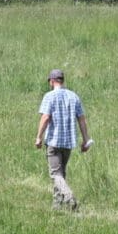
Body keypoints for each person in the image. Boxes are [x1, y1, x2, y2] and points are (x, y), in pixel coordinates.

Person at [35, 68, 91, 211]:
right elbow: (82, 120)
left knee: (56, 174)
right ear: (62, 81)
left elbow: (45, 117)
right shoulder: (74, 96)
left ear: (52, 81)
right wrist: (86, 140)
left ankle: (69, 196)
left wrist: (38, 137)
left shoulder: (49, 96)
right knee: (62, 174)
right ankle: (57, 205)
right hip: (68, 143)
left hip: (54, 141)